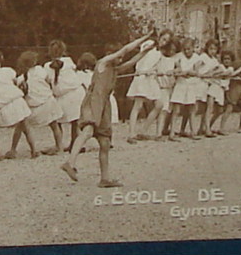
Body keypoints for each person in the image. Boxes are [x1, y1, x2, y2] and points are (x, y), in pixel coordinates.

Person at [60, 34, 151, 187]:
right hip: (94, 102)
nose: (120, 60)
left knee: (104, 142)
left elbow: (132, 61)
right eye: (118, 57)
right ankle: (70, 162)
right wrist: (145, 37)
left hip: (104, 105)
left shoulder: (115, 69)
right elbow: (126, 50)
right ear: (110, 54)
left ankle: (104, 178)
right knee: (87, 132)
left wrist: (146, 51)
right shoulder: (102, 64)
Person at [0, 48, 38, 159]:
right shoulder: (8, 71)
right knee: (26, 127)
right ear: (1, 60)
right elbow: (17, 82)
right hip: (16, 102)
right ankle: (33, 151)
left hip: (0, 107)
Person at [17, 50, 63, 155]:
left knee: (26, 127)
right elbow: (49, 80)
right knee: (54, 125)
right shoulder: (41, 70)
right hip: (48, 102)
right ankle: (60, 147)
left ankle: (34, 149)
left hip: (34, 106)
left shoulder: (20, 78)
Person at [125, 31, 166, 142]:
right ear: (159, 37)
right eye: (163, 39)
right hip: (142, 77)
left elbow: (156, 67)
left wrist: (156, 71)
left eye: (166, 41)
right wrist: (144, 70)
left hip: (151, 79)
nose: (164, 42)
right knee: (138, 105)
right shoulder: (149, 43)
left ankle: (143, 131)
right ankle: (131, 134)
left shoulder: (160, 53)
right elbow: (142, 56)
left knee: (159, 104)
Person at [46, 40, 84, 151]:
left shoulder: (47, 66)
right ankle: (74, 143)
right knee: (74, 121)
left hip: (60, 96)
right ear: (64, 51)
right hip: (74, 94)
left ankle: (59, 144)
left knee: (57, 121)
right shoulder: (69, 61)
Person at [169, 38, 203, 140]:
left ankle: (193, 132)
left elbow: (196, 72)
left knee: (192, 109)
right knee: (176, 109)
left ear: (193, 48)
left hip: (191, 86)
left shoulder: (197, 58)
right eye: (185, 49)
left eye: (189, 49)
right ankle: (172, 133)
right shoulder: (179, 57)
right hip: (181, 85)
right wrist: (185, 72)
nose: (187, 51)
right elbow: (177, 71)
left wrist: (187, 72)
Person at [219, 52, 241, 134]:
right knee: (229, 108)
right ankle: (221, 128)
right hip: (235, 89)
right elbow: (233, 74)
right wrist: (235, 77)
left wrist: (240, 79)